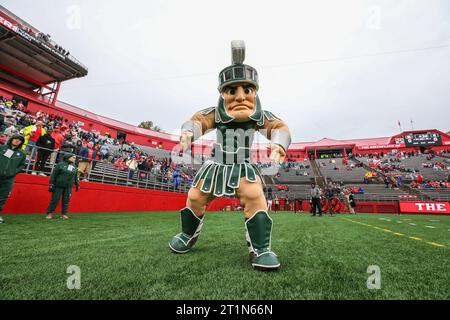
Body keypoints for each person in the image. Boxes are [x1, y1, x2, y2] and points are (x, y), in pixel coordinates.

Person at [169, 41, 291, 271]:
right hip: (215, 166)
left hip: (244, 167)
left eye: (247, 90)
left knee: (255, 198)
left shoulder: (259, 116)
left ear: (255, 92)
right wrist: (188, 134)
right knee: (195, 197)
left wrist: (278, 146)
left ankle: (261, 248)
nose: (240, 96)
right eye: (231, 90)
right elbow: (199, 120)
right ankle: (187, 234)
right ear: (222, 93)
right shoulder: (215, 113)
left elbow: (279, 127)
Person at [0, 135, 26, 224]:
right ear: (11, 139)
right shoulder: (2, 148)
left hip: (9, 178)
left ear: (21, 143)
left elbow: (22, 165)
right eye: (15, 139)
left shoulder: (22, 154)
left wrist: (14, 171)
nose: (16, 141)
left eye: (19, 141)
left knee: (3, 196)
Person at [46, 153, 80, 220]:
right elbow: (54, 175)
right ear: (68, 157)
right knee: (55, 199)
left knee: (66, 201)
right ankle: (50, 213)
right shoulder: (60, 165)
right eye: (73, 157)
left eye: (75, 158)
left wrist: (77, 184)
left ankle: (64, 214)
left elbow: (75, 177)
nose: (74, 159)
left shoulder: (74, 166)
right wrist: (51, 184)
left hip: (68, 186)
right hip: (58, 185)